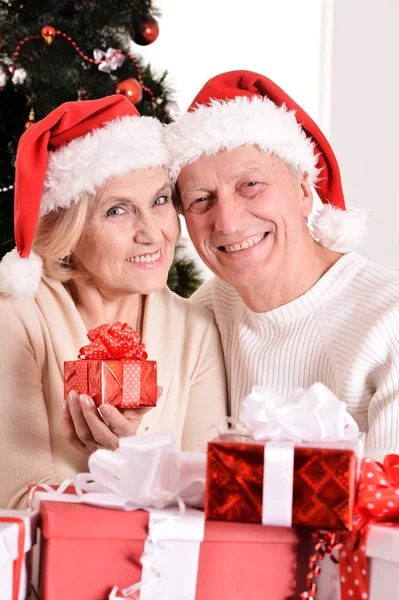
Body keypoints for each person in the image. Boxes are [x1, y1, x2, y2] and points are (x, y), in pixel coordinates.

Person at [0, 95, 227, 509]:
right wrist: (122, 468)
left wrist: (131, 454)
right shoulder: (15, 315)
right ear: (69, 229)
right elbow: (16, 498)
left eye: (159, 201)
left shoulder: (196, 329)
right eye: (117, 210)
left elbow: (205, 503)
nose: (152, 233)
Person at [165, 70, 399, 462]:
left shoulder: (388, 320)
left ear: (305, 191)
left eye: (250, 185)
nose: (228, 222)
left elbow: (390, 514)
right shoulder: (206, 314)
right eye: (201, 200)